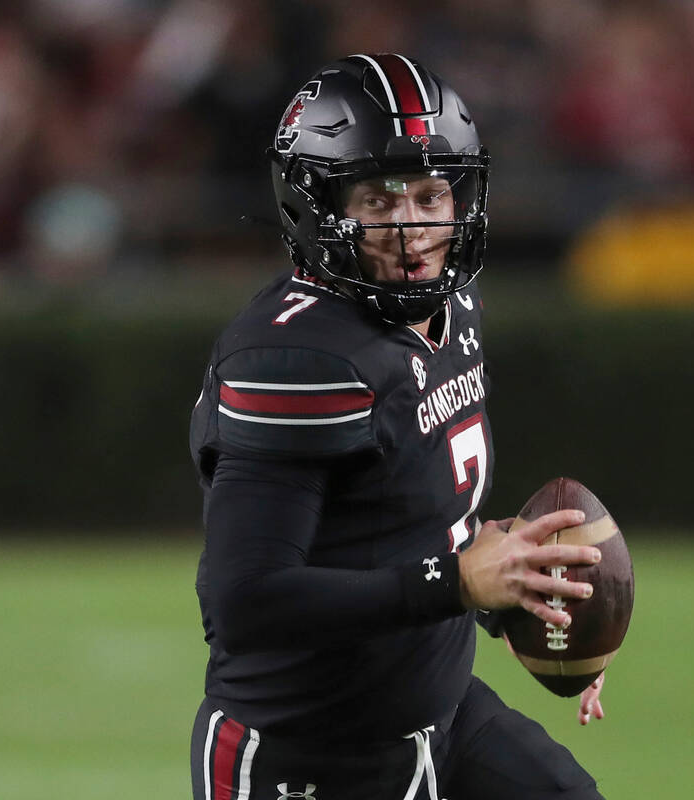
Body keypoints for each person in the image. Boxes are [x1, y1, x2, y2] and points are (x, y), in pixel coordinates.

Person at [189, 53, 610, 800]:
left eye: (430, 194)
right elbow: (245, 602)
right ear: (316, 205)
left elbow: (409, 517)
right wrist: (460, 583)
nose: (413, 228)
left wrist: (514, 588)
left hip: (439, 713)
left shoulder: (454, 307)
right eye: (378, 202)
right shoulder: (298, 357)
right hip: (313, 753)